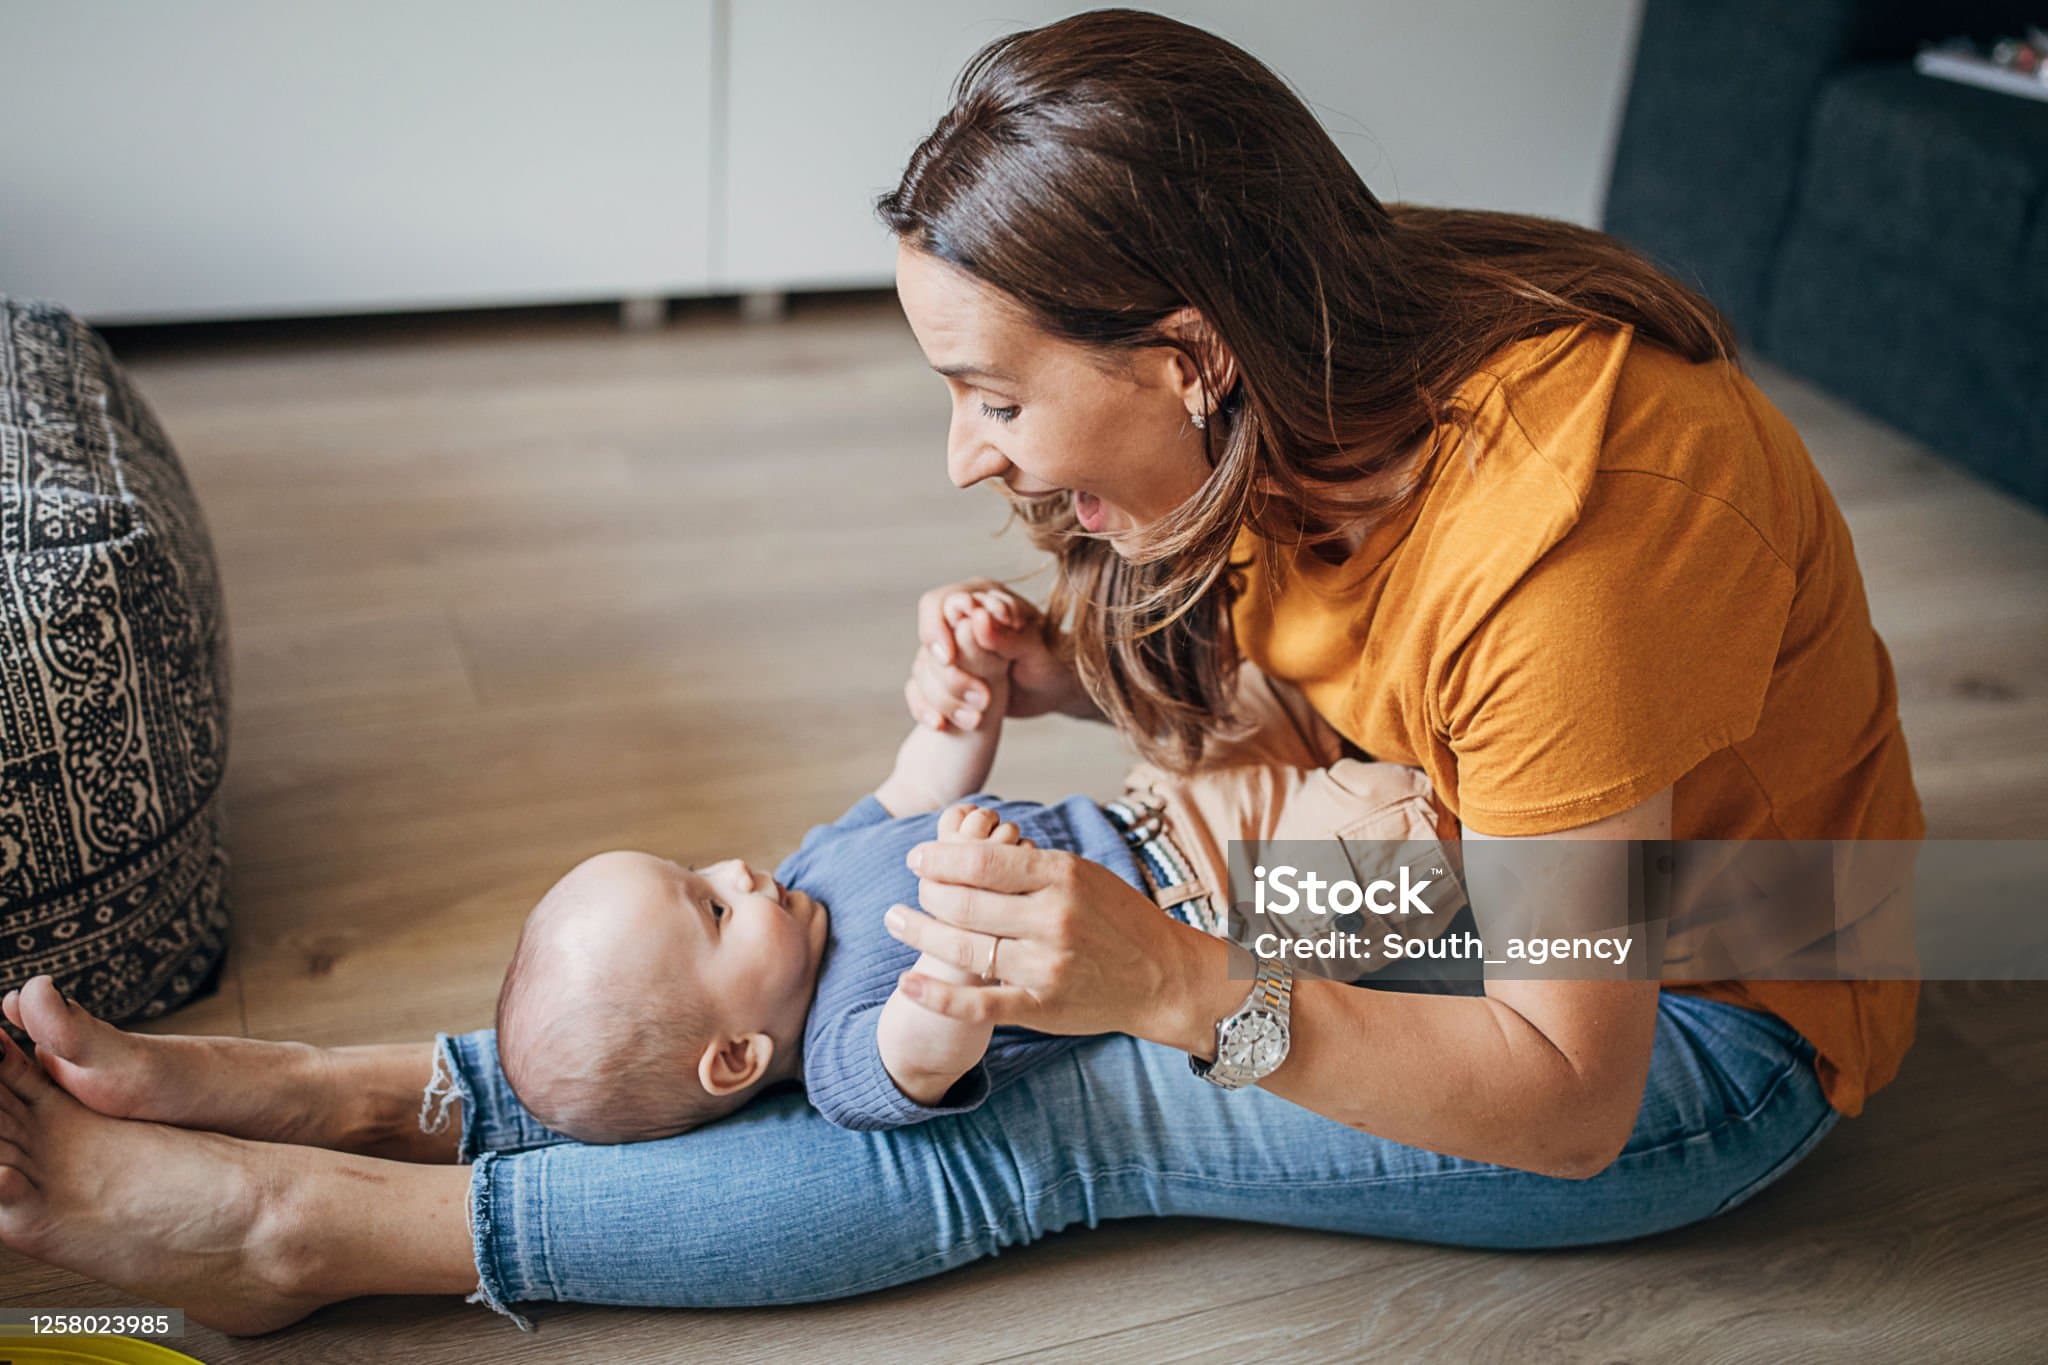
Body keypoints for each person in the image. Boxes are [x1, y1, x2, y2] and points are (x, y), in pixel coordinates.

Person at [0, 9, 1917, 1337]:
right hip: (1446, 868)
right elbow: (1352, 685)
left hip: (1699, 1011)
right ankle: (386, 1093)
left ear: (1183, 355)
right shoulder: (1320, 338)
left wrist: (1178, 985)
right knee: (838, 954)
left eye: (996, 397)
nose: (965, 457)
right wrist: (1068, 674)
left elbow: (1564, 1097)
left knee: (1040, 1106)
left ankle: (308, 1228)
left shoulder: (1571, 545)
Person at [490, 602, 1448, 1143]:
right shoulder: (836, 1058)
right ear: (737, 1055)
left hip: (1147, 808)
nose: (735, 869)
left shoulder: (813, 869)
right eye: (708, 908)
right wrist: (949, 969)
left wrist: (966, 691)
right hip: (1211, 914)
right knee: (1391, 827)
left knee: (1247, 693)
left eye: (696, 866)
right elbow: (923, 1047)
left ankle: (1357, 716)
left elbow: (919, 780)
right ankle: (1476, 788)